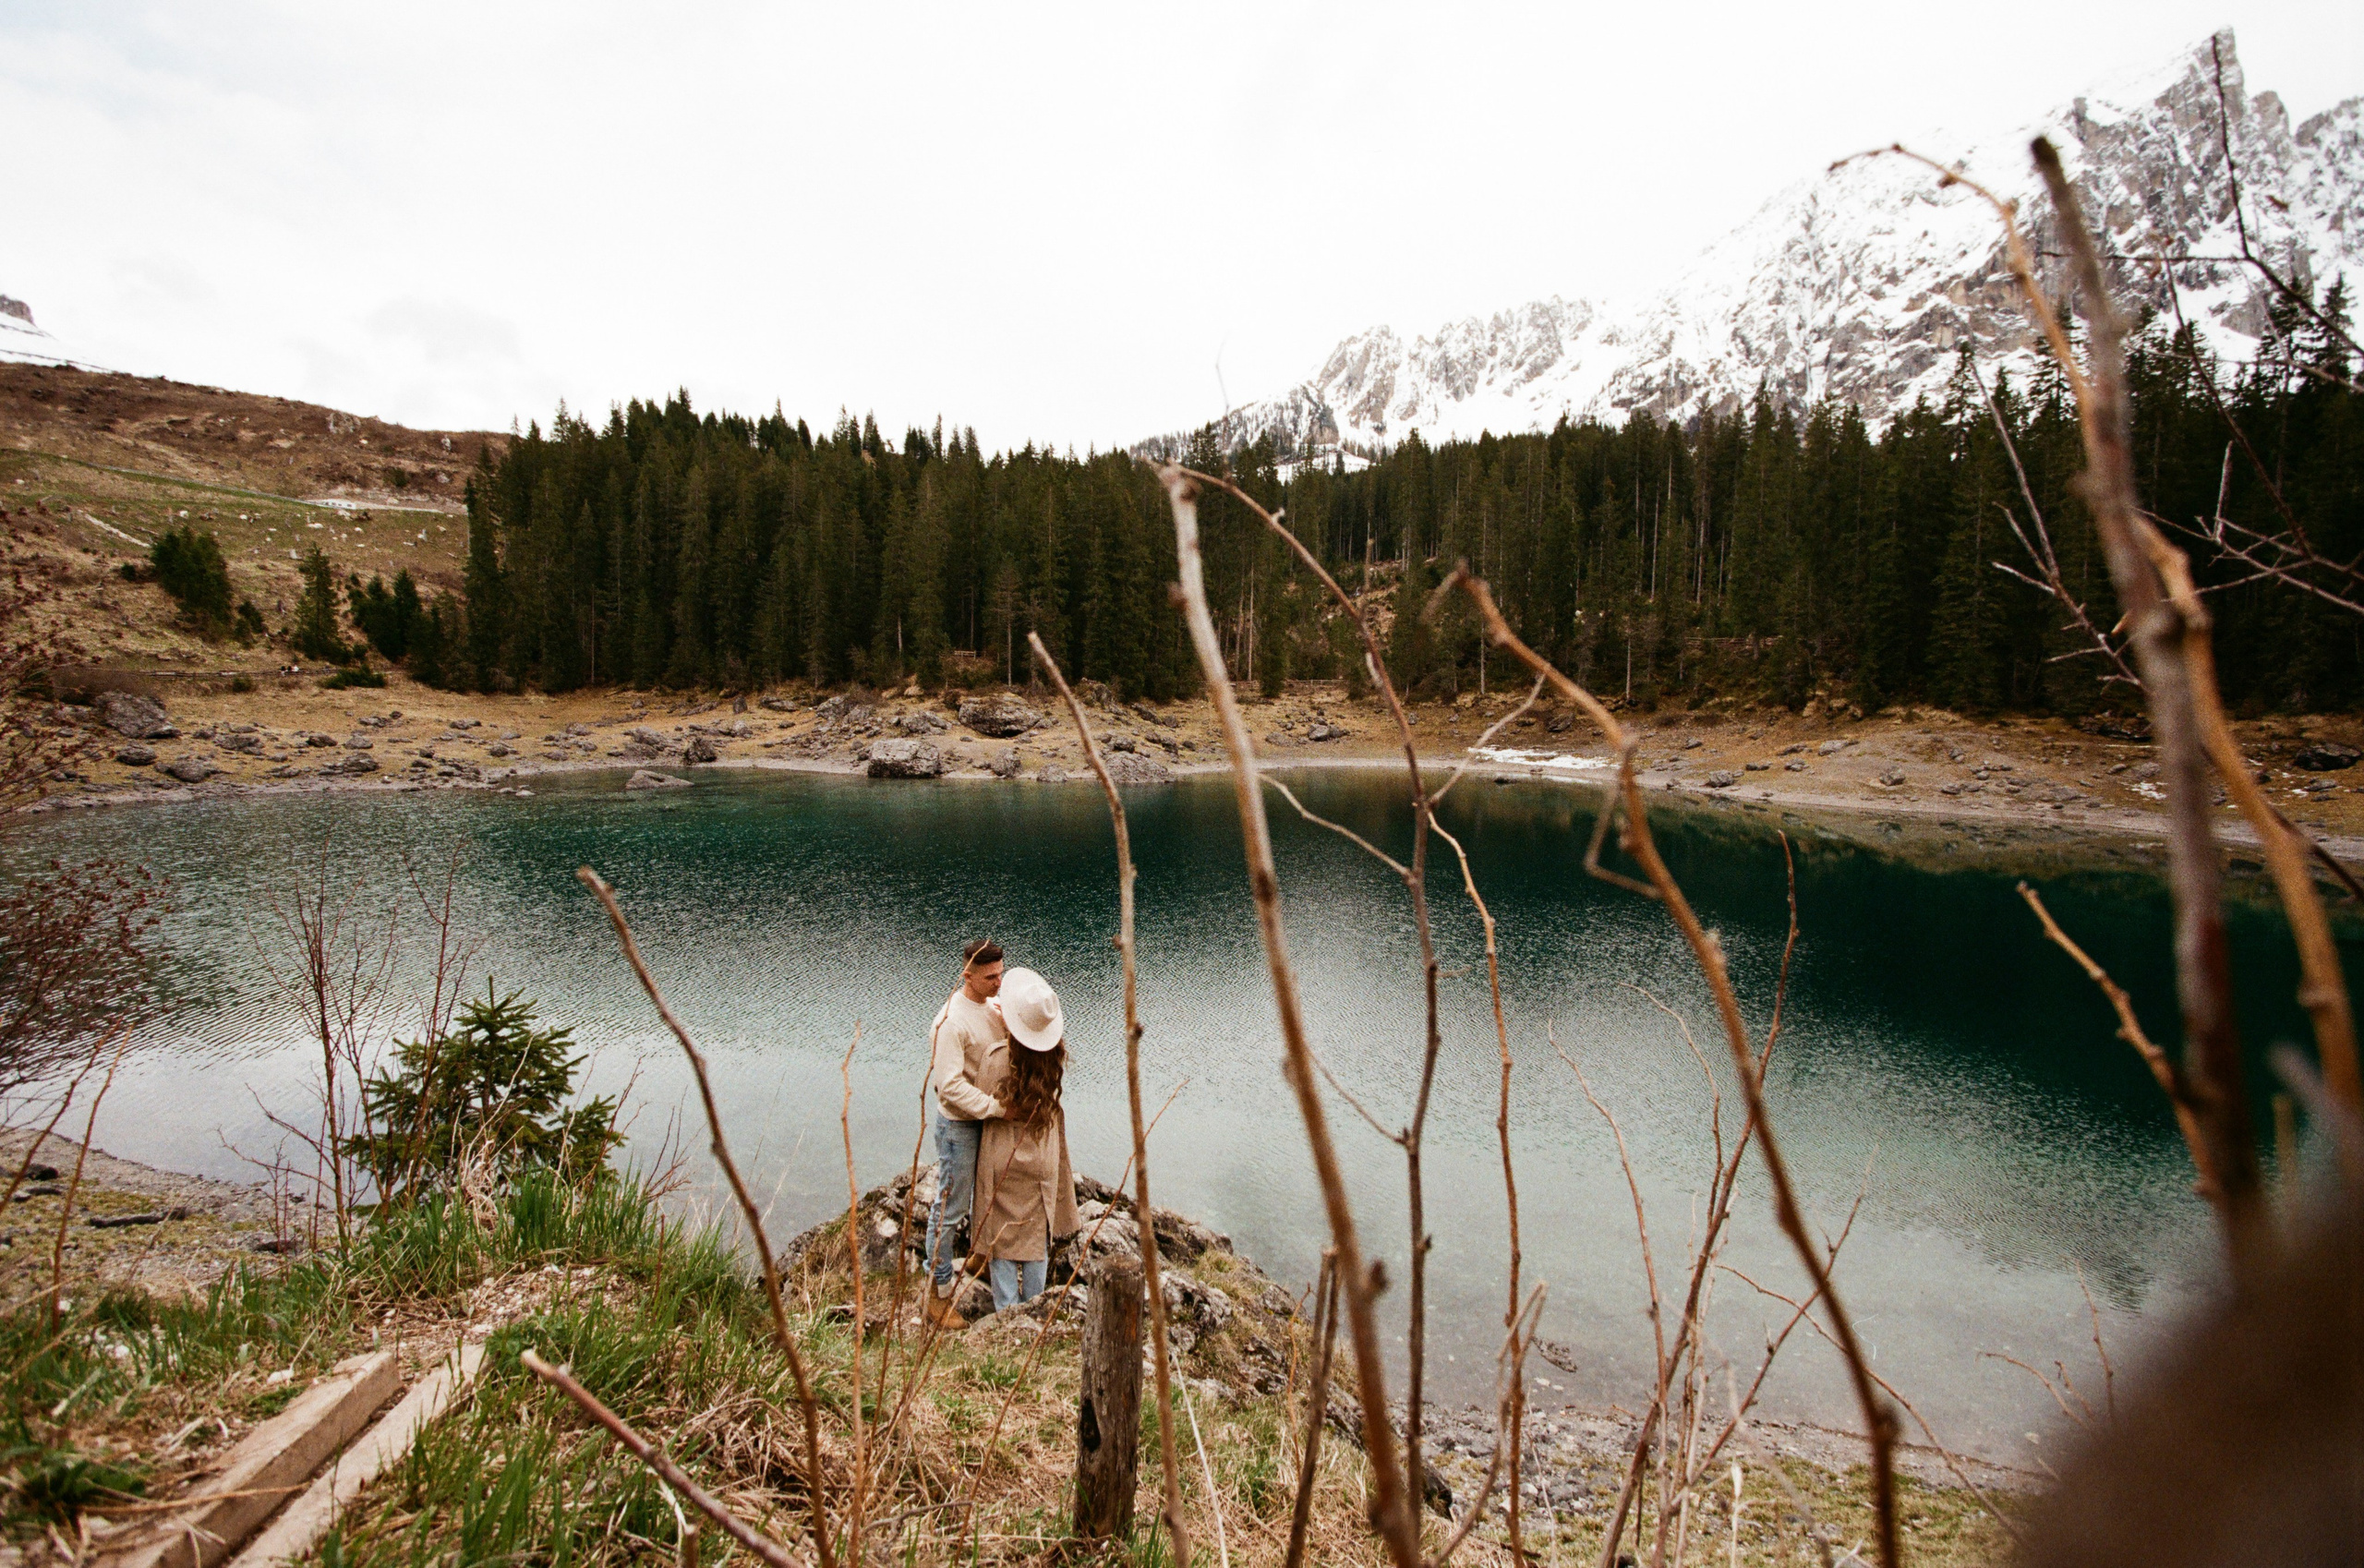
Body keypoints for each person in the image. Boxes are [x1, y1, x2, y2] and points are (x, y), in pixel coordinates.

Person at [970, 966, 1079, 1312]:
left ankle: (1006, 1312)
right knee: (1036, 1235)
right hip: (1041, 1158)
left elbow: (981, 1099)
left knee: (1001, 1236)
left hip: (1004, 1156)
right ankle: (1033, 1308)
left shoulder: (995, 1058)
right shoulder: (1053, 1061)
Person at [923, 938, 1007, 1329]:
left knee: (988, 1192)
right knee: (949, 1209)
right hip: (959, 1125)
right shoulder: (950, 1021)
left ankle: (976, 1257)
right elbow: (949, 1085)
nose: (998, 982)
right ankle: (936, 1297)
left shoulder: (992, 1007)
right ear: (967, 975)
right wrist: (995, 1108)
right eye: (990, 977)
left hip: (985, 1120)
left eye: (1001, 973)